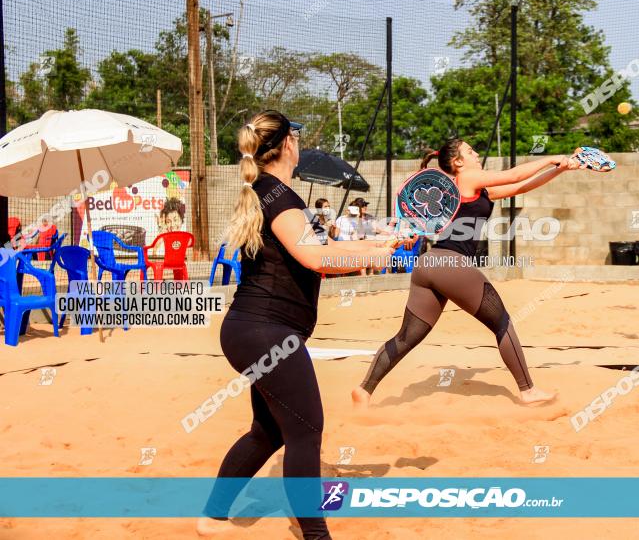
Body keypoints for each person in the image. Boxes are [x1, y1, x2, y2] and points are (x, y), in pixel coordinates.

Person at [196, 110, 395, 539]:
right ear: (287, 144)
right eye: (297, 138)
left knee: (269, 430)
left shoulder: (268, 192)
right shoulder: (278, 197)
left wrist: (377, 242)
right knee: (306, 429)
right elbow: (316, 259)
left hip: (254, 331)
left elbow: (311, 248)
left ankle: (212, 516)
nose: (300, 144)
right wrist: (374, 257)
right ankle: (315, 534)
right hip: (266, 332)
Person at [352, 138, 601, 407]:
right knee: (502, 322)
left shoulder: (475, 189)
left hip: (429, 264)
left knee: (406, 337)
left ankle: (364, 391)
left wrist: (562, 168)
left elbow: (521, 185)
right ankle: (528, 390)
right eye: (470, 151)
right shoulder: (467, 177)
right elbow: (513, 174)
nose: (477, 153)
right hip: (451, 264)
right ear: (457, 162)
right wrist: (552, 158)